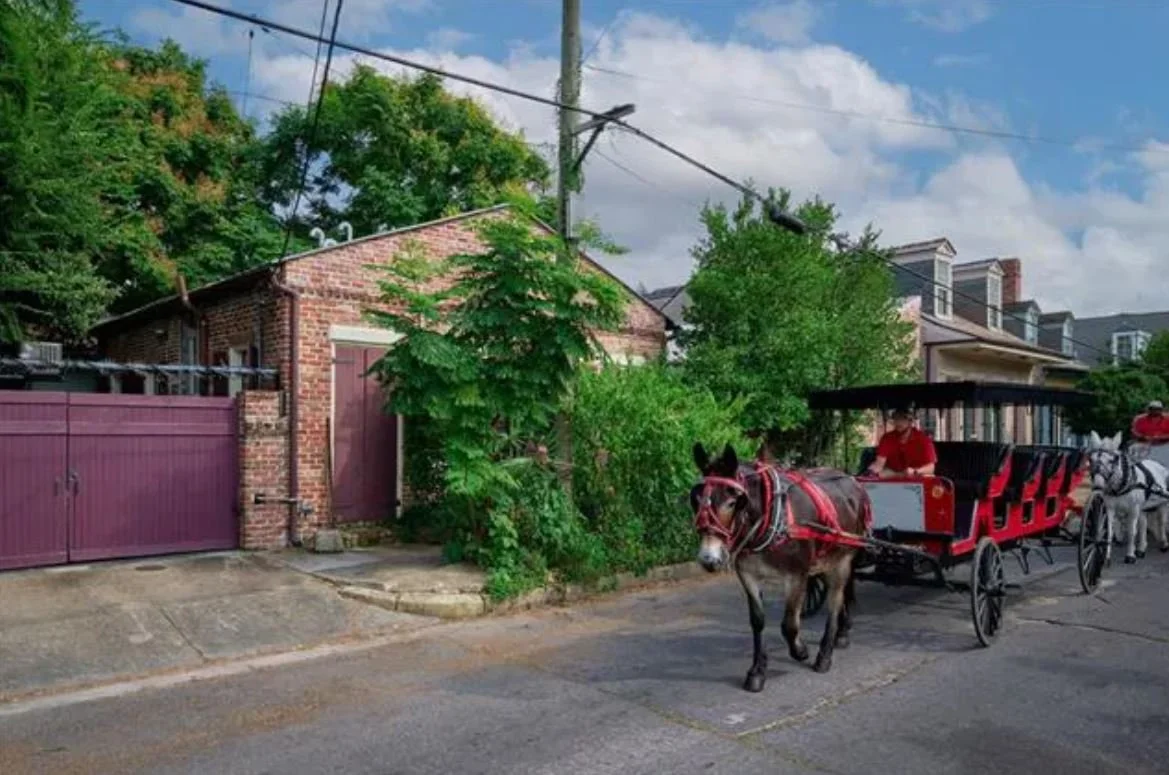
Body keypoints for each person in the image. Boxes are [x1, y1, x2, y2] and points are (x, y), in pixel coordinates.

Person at [866, 407, 937, 478]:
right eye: (896, 419)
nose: (898, 422)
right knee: (880, 474)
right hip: (893, 474)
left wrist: (915, 471)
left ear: (910, 421)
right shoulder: (887, 438)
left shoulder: (923, 440)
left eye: (903, 419)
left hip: (916, 476)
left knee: (928, 476)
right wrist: (870, 472)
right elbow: (879, 464)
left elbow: (931, 468)